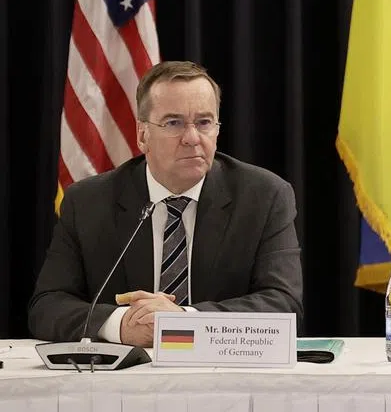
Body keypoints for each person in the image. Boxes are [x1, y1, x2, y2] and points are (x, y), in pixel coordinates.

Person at [29, 61, 303, 346]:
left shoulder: (264, 196)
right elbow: (47, 306)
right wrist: (120, 325)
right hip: (128, 371)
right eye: (174, 123)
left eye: (204, 122)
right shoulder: (87, 202)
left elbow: (284, 304)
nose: (192, 138)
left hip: (223, 369)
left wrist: (184, 320)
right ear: (142, 135)